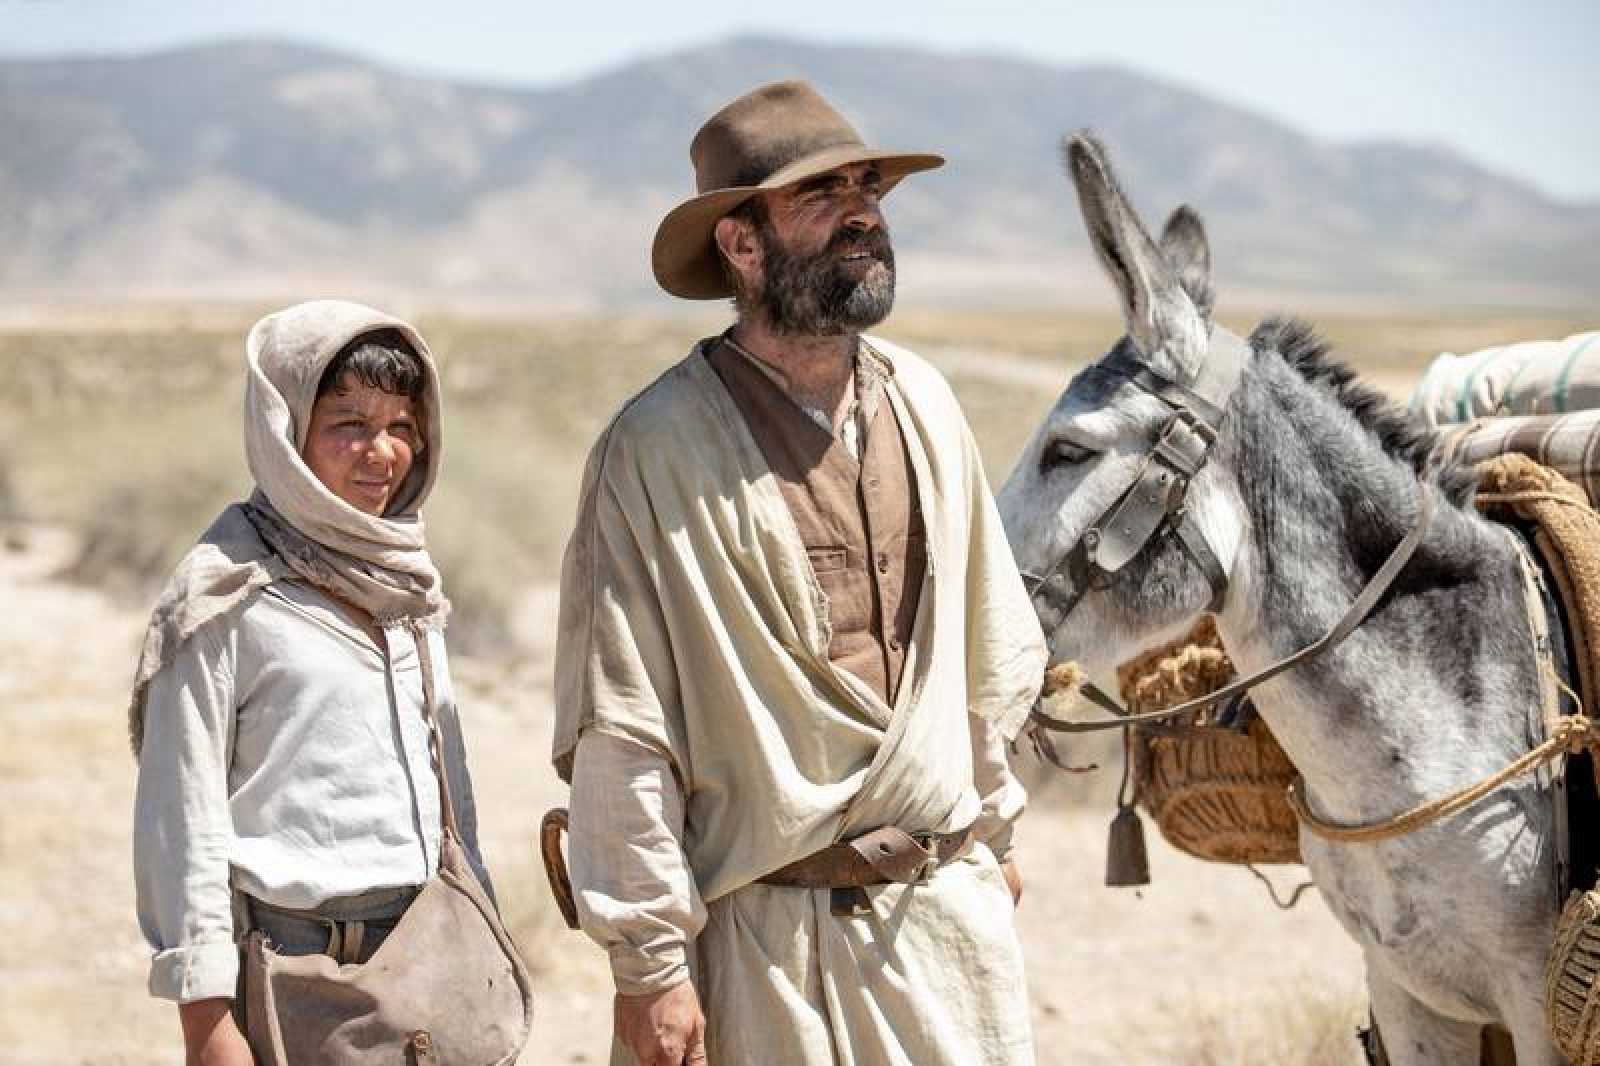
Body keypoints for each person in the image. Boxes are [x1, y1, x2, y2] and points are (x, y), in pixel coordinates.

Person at [554, 80, 1047, 1066]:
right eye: (821, 196)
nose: (863, 213)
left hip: (942, 923)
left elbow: (981, 659)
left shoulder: (926, 405)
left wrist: (990, 840)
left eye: (867, 187)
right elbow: (624, 727)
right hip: (766, 945)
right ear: (741, 244)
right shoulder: (655, 448)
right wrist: (650, 964)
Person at [130, 300, 495, 1064]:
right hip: (291, 971)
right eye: (348, 424)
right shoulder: (225, 594)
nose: (381, 452)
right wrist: (206, 1019)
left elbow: (448, 782)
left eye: (401, 425)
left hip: (429, 952)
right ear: (285, 432)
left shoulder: (405, 585)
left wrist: (482, 927)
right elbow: (183, 816)